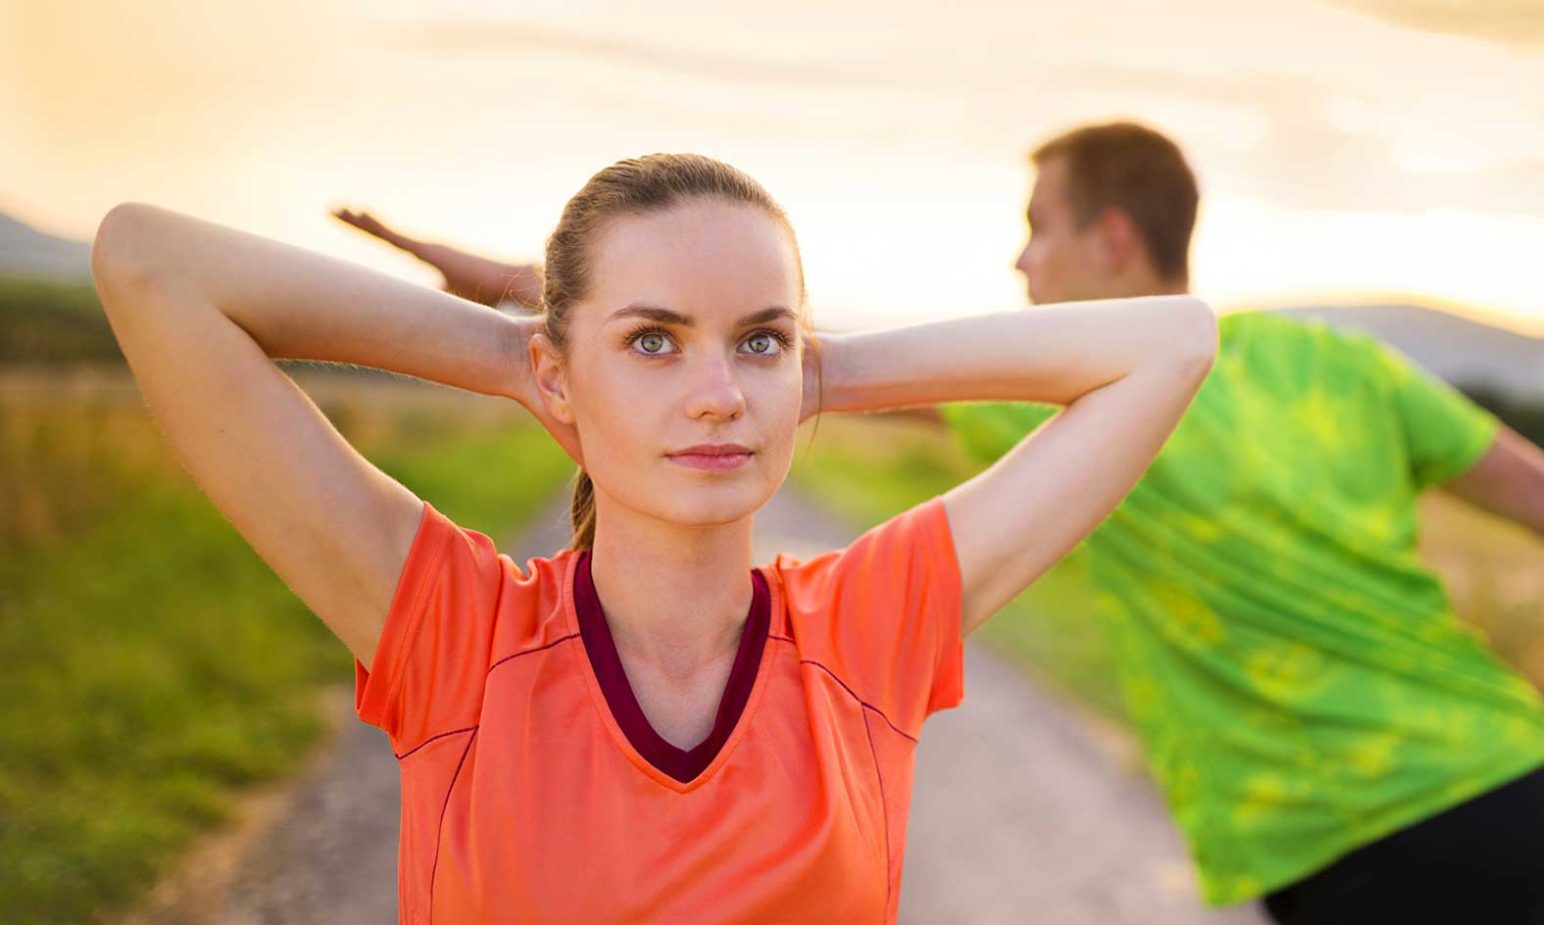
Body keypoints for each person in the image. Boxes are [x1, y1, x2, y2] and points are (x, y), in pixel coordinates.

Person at [330, 128, 1544, 925]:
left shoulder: (1044, 405)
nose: (1020, 264)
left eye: (1036, 231)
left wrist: (532, 305)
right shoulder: (1337, 364)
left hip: (1347, 828)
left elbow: (727, 372)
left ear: (1111, 237)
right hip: (1527, 770)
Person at [90, 152, 1216, 924]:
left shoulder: (868, 629)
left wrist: (828, 372)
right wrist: (515, 359)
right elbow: (149, 262)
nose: (719, 394)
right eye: (653, 341)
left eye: (759, 341)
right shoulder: (454, 634)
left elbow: (1171, 342)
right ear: (557, 370)